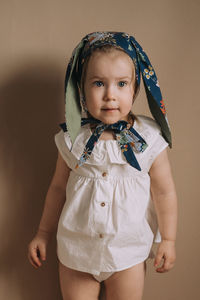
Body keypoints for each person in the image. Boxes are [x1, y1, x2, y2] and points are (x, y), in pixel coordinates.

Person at [28, 32, 178, 300]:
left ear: (135, 88)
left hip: (128, 253)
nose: (110, 95)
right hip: (77, 252)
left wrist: (168, 239)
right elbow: (57, 188)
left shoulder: (148, 139)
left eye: (122, 84)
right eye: (99, 83)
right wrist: (42, 233)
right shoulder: (72, 139)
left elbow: (164, 192)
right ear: (82, 89)